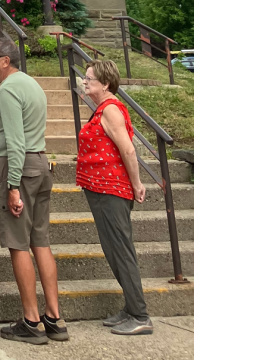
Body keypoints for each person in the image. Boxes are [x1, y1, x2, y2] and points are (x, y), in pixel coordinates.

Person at [0, 35, 66, 346]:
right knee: (40, 241)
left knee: (18, 244)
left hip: (19, 167)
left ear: (6, 60)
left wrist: (13, 185)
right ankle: (54, 318)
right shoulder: (32, 84)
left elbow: (16, 142)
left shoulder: (8, 90)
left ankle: (31, 321)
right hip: (41, 163)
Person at [76, 59, 153, 336]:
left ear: (105, 83)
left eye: (90, 79)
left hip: (112, 190)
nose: (85, 82)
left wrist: (137, 183)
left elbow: (129, 151)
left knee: (121, 251)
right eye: (85, 78)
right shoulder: (102, 110)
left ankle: (141, 315)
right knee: (113, 251)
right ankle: (131, 308)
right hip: (101, 189)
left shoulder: (110, 110)